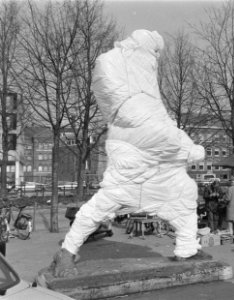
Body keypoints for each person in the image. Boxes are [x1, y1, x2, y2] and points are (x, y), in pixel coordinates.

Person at [50, 30, 205, 277]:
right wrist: (187, 148)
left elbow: (158, 122)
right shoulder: (114, 66)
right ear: (141, 48)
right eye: (153, 52)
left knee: (184, 195)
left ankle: (187, 248)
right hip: (131, 163)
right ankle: (66, 253)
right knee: (100, 207)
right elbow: (139, 119)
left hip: (154, 167)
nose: (155, 58)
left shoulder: (144, 79)